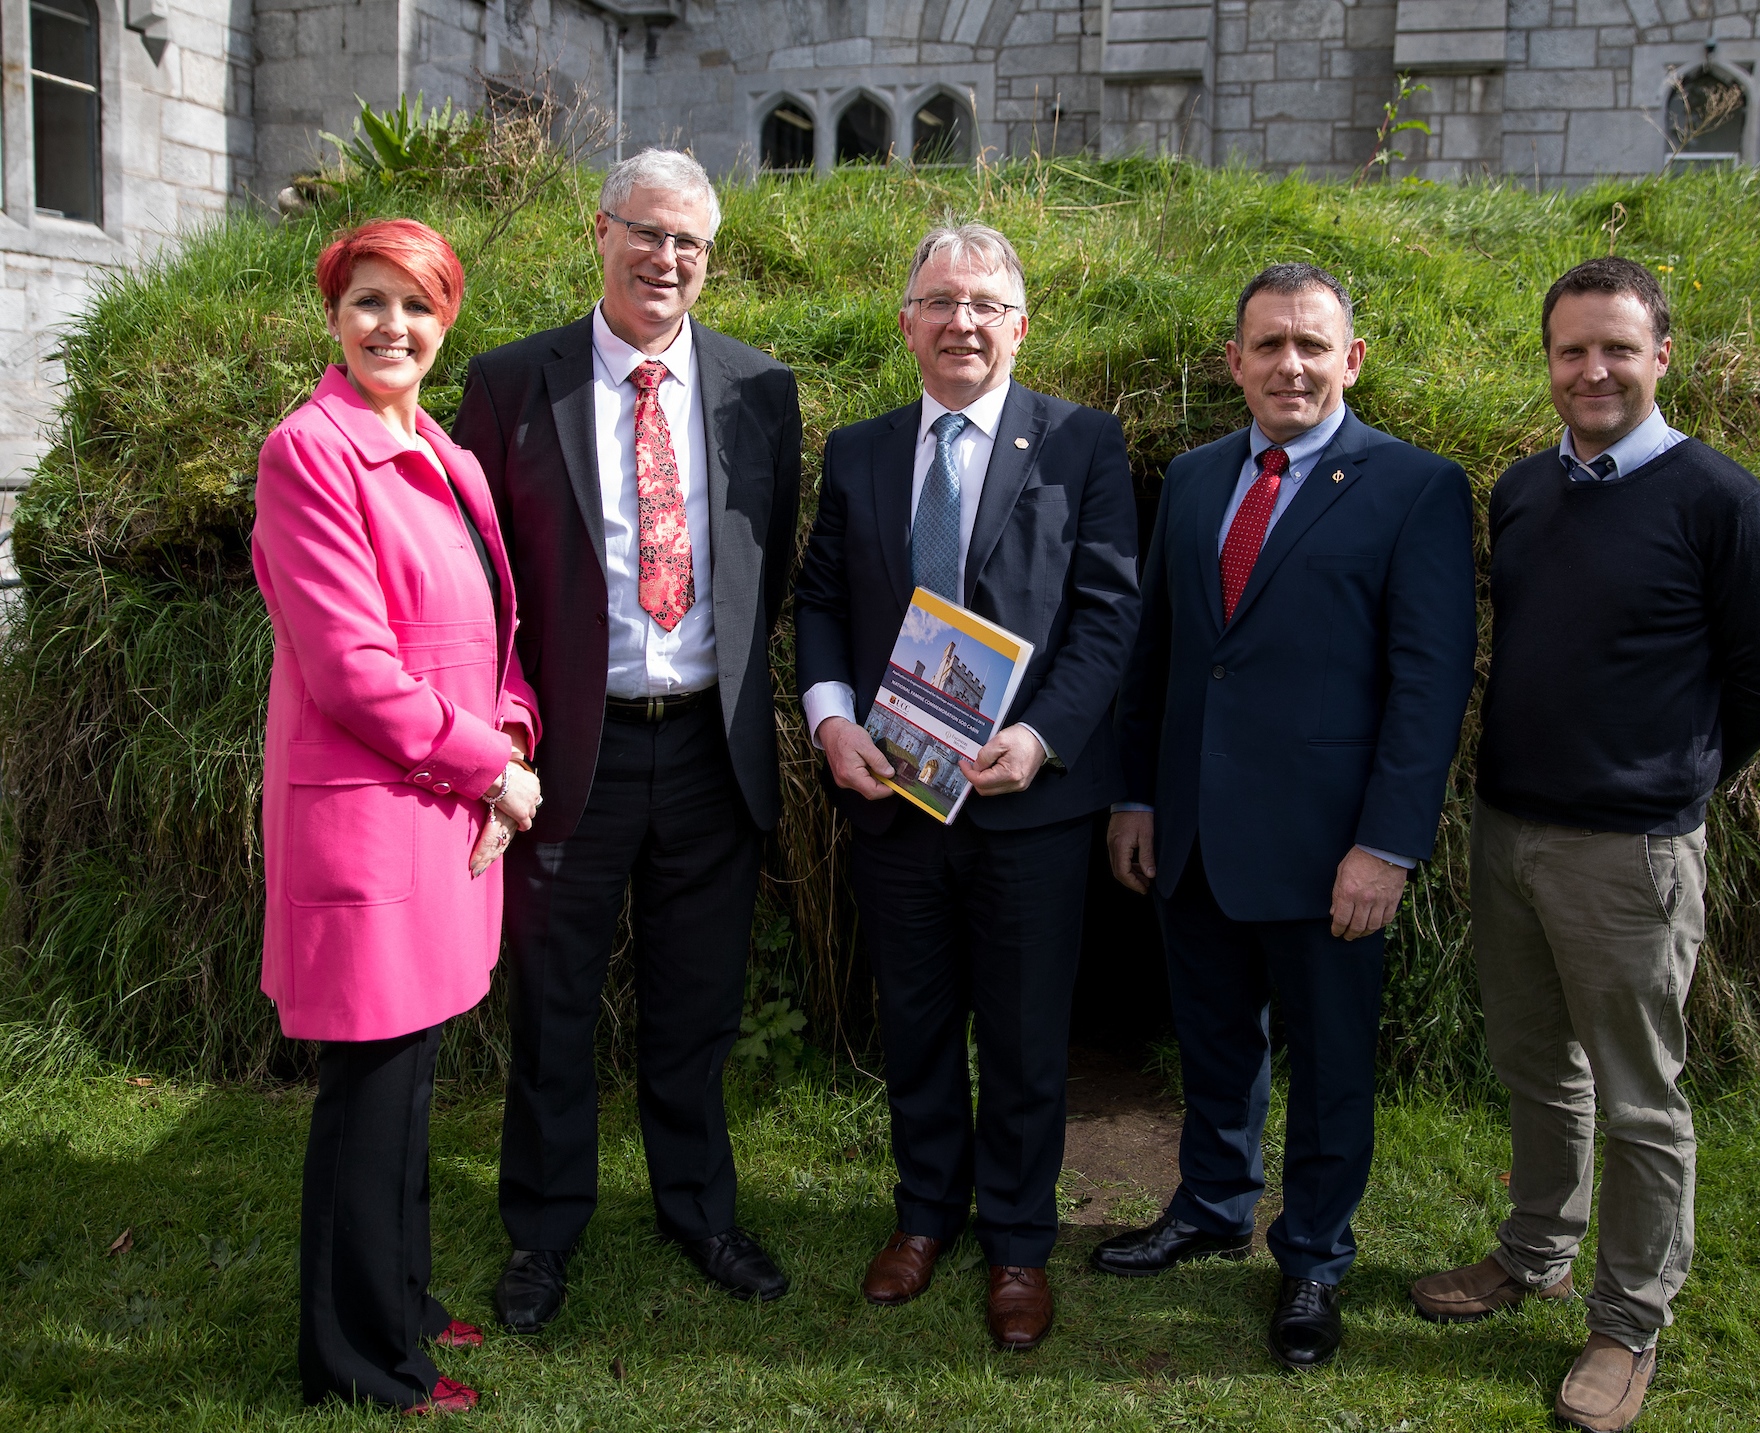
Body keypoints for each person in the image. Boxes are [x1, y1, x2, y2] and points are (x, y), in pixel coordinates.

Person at [1405, 256, 1760, 1430]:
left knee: (1639, 1100)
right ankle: (1533, 1253)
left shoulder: (1724, 506)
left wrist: (1665, 784)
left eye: (1617, 348)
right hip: (1509, 828)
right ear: (1548, 360)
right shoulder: (1523, 491)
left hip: (1627, 854)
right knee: (1538, 1069)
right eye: (1572, 349)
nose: (1593, 370)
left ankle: (1628, 1325)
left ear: (1661, 355)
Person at [1101, 263, 1477, 1371]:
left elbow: (1427, 683)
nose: (1291, 364)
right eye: (1268, 345)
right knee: (1214, 1035)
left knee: (1329, 1062)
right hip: (1195, 832)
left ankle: (1312, 1254)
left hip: (1331, 848)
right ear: (1235, 361)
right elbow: (1161, 654)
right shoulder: (1192, 476)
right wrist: (1136, 791)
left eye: (1313, 344)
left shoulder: (1414, 487)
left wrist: (1388, 844)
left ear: (1350, 359)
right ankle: (1213, 1202)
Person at [451, 149, 803, 1331]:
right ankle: (543, 1231)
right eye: (646, 234)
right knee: (552, 1001)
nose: (666, 260)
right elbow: (473, 583)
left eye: (689, 244)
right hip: (568, 755)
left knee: (696, 1000)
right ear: (599, 233)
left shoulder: (763, 390)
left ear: (711, 258)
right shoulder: (510, 385)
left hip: (709, 746)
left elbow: (770, 564)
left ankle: (698, 1208)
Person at [793, 224, 1139, 1350]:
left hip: (1027, 801)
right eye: (940, 301)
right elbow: (821, 603)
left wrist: (1042, 736)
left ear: (1020, 325)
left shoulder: (1082, 443)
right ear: (906, 324)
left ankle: (1022, 1242)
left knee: (1029, 1031)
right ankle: (923, 1214)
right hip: (894, 791)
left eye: (986, 304)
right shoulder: (858, 449)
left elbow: (1107, 614)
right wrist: (831, 717)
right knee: (920, 1018)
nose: (962, 322)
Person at [252, 218, 543, 1413]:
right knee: (370, 1093)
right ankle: (360, 1360)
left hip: (449, 802)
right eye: (369, 301)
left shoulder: (445, 451)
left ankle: (405, 1299)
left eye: (417, 306)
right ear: (334, 314)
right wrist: (493, 768)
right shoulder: (306, 452)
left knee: (414, 1080)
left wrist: (512, 736)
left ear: (446, 323)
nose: (393, 326)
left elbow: (497, 631)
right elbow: (353, 667)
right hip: (376, 813)